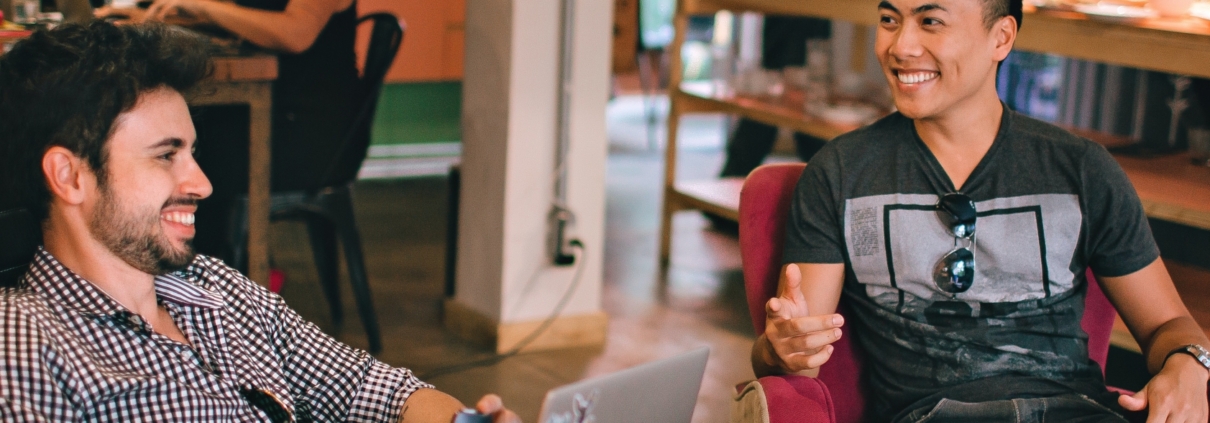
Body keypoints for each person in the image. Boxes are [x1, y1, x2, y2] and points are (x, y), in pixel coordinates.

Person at [0, 22, 518, 422]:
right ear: (69, 176)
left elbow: (368, 387)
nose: (201, 183)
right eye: (165, 156)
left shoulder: (216, 290)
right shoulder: (27, 346)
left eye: (192, 152)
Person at [750, 1, 1210, 422]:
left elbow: (1168, 325)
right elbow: (792, 351)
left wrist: (1189, 362)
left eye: (930, 21)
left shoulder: (1081, 170)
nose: (901, 46)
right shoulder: (842, 173)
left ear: (1002, 38)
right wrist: (781, 350)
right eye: (890, 20)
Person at [99, 0, 365, 263]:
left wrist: (200, 6)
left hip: (310, 136)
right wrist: (149, 19)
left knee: (194, 151)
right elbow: (239, 19)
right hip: (279, 114)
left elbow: (296, 34)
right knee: (179, 140)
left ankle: (201, 274)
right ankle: (183, 270)